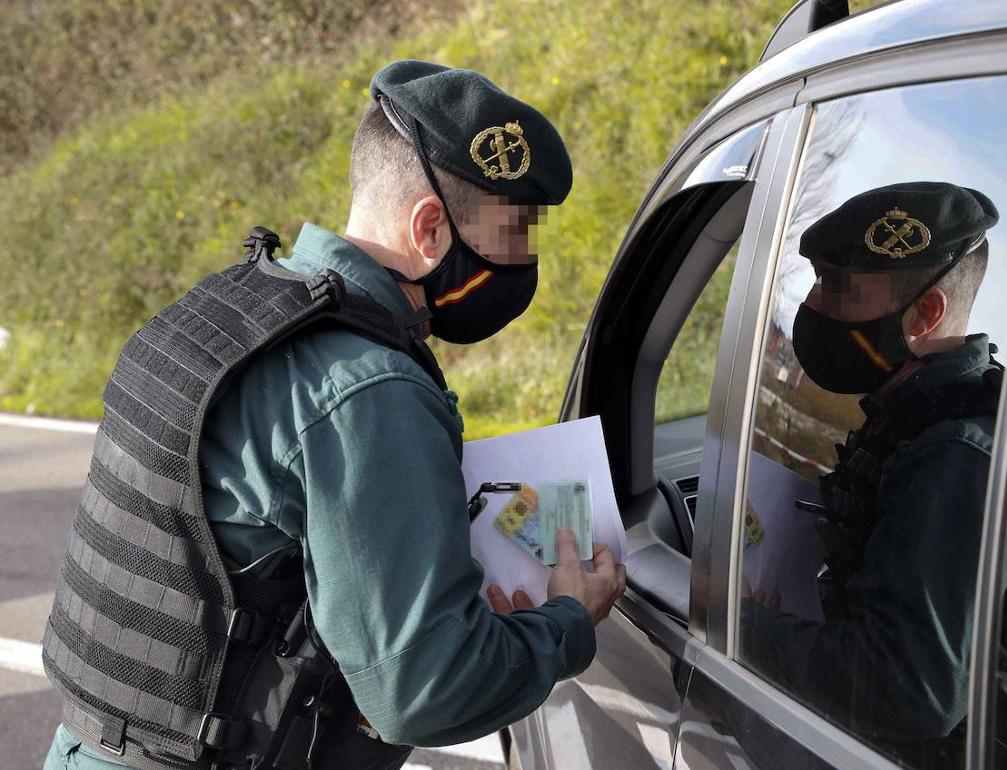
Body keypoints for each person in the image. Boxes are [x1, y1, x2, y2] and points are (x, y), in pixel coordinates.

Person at [42, 60, 625, 770]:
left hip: (88, 746)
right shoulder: (366, 391)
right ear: (430, 228)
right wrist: (567, 619)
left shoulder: (221, 313)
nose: (525, 259)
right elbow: (425, 690)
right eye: (514, 235)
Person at [739, 182, 1007, 769]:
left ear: (925, 314)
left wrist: (737, 622)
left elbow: (905, 688)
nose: (813, 304)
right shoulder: (924, 418)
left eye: (838, 287)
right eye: (818, 280)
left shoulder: (962, 454)